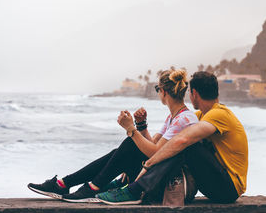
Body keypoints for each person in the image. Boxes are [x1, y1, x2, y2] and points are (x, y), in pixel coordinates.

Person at [27, 69, 198, 202]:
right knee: (126, 147)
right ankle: (66, 184)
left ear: (164, 92)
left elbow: (154, 153)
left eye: (157, 89)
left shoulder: (183, 119)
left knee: (130, 143)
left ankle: (90, 187)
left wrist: (131, 130)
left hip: (173, 184)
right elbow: (152, 146)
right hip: (160, 175)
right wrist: (141, 126)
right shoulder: (174, 117)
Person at [96, 71, 248, 205]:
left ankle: (135, 190)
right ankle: (126, 187)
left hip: (228, 189)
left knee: (187, 145)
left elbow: (182, 141)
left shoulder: (220, 114)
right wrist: (141, 128)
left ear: (193, 93)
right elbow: (162, 145)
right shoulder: (201, 116)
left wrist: (147, 165)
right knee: (177, 144)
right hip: (215, 183)